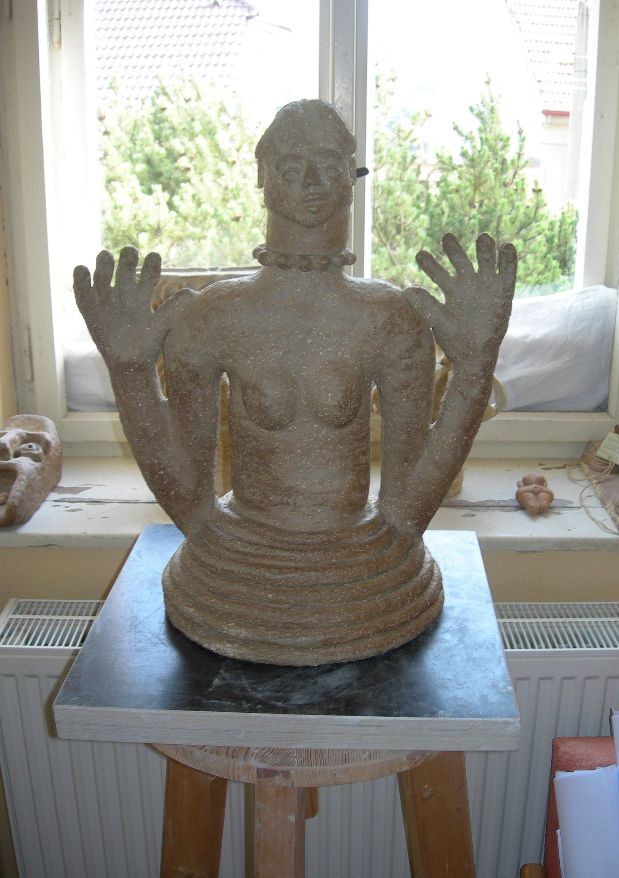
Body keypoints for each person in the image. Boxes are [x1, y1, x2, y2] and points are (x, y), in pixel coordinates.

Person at [73, 99, 516, 664]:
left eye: (329, 166)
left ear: (352, 179)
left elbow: (407, 505)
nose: (311, 183)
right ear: (263, 176)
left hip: (363, 565)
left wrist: (475, 365)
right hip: (238, 560)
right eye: (290, 166)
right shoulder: (215, 316)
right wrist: (130, 371)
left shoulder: (388, 317)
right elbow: (189, 492)